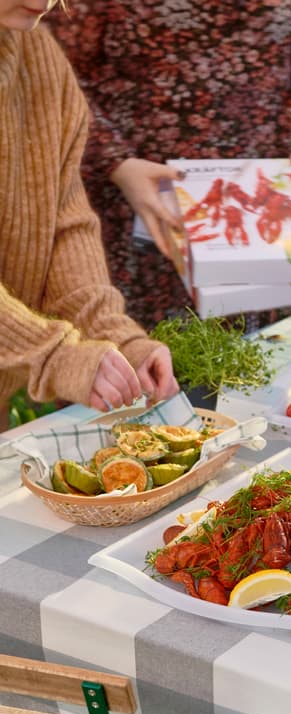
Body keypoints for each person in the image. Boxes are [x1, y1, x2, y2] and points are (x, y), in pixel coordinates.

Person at [47, 1, 291, 332]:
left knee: (259, 363)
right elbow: (51, 69)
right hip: (137, 199)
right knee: (142, 363)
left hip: (259, 208)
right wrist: (114, 160)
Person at [0, 0, 179, 432]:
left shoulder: (39, 58)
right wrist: (53, 354)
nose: (44, 2)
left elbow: (64, 223)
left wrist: (115, 337)